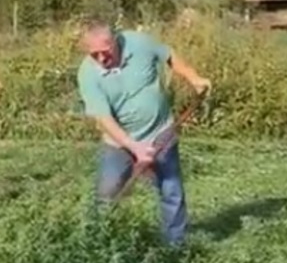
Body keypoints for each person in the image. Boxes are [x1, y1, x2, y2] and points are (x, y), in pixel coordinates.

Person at [76, 21, 210, 247]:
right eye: (94, 54)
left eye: (105, 52)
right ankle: (100, 245)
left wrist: (193, 77)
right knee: (108, 195)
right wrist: (134, 148)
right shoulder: (88, 74)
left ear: (116, 41)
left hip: (161, 132)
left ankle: (174, 246)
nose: (101, 59)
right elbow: (103, 119)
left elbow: (169, 55)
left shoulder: (138, 42)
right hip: (119, 142)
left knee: (171, 189)